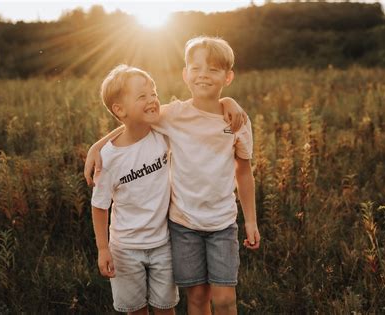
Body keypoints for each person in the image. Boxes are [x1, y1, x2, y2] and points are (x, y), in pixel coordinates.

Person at [87, 36, 260, 315]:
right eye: (196, 68)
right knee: (198, 297)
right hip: (183, 225)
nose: (203, 74)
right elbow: (136, 119)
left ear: (228, 77)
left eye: (213, 69)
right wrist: (98, 145)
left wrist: (250, 220)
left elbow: (244, 169)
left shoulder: (236, 120)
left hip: (222, 223)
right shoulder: (175, 114)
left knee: (225, 298)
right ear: (185, 74)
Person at [91, 65, 178, 315]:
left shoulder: (162, 133)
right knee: (136, 310)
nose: (152, 99)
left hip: (164, 243)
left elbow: (195, 111)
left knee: (165, 308)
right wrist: (103, 248)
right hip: (125, 249)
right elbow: (99, 206)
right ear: (119, 109)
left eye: (153, 92)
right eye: (142, 96)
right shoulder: (108, 158)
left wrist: (228, 102)